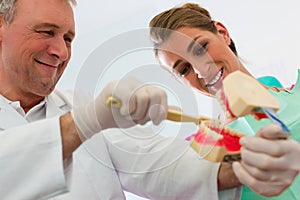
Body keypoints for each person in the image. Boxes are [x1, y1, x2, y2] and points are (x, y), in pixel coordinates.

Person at [0, 0, 241, 199]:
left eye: (68, 39)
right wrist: (83, 123)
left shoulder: (81, 105)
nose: (61, 52)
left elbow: (156, 163)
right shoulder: (87, 114)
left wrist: (243, 167)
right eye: (46, 32)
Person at [149, 2, 300, 199]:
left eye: (200, 48)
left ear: (222, 33)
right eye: (184, 70)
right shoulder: (199, 152)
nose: (201, 70)